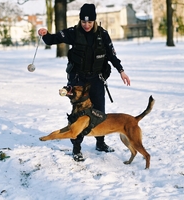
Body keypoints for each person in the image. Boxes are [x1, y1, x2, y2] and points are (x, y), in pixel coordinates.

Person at [38, 3, 130, 162]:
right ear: (80, 20)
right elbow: (52, 39)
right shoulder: (73, 33)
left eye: (89, 22)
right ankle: (77, 148)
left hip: (96, 79)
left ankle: (100, 143)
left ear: (94, 21)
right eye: (83, 22)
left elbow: (111, 55)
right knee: (78, 115)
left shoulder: (103, 35)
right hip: (78, 81)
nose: (86, 25)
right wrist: (45, 34)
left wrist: (121, 70)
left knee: (100, 113)